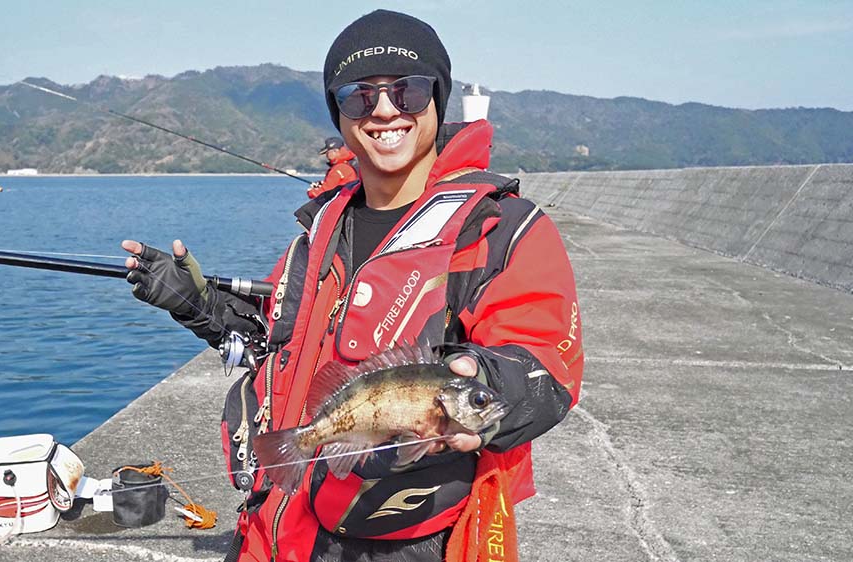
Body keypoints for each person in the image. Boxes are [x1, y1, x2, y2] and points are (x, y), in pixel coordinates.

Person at [122, 9, 583, 562]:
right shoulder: (322, 230)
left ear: (437, 98)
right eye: (359, 96)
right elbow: (277, 340)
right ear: (339, 114)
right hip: (274, 530)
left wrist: (483, 381)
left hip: (405, 542)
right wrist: (198, 303)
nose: (384, 110)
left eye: (408, 91)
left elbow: (545, 361)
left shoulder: (500, 229)